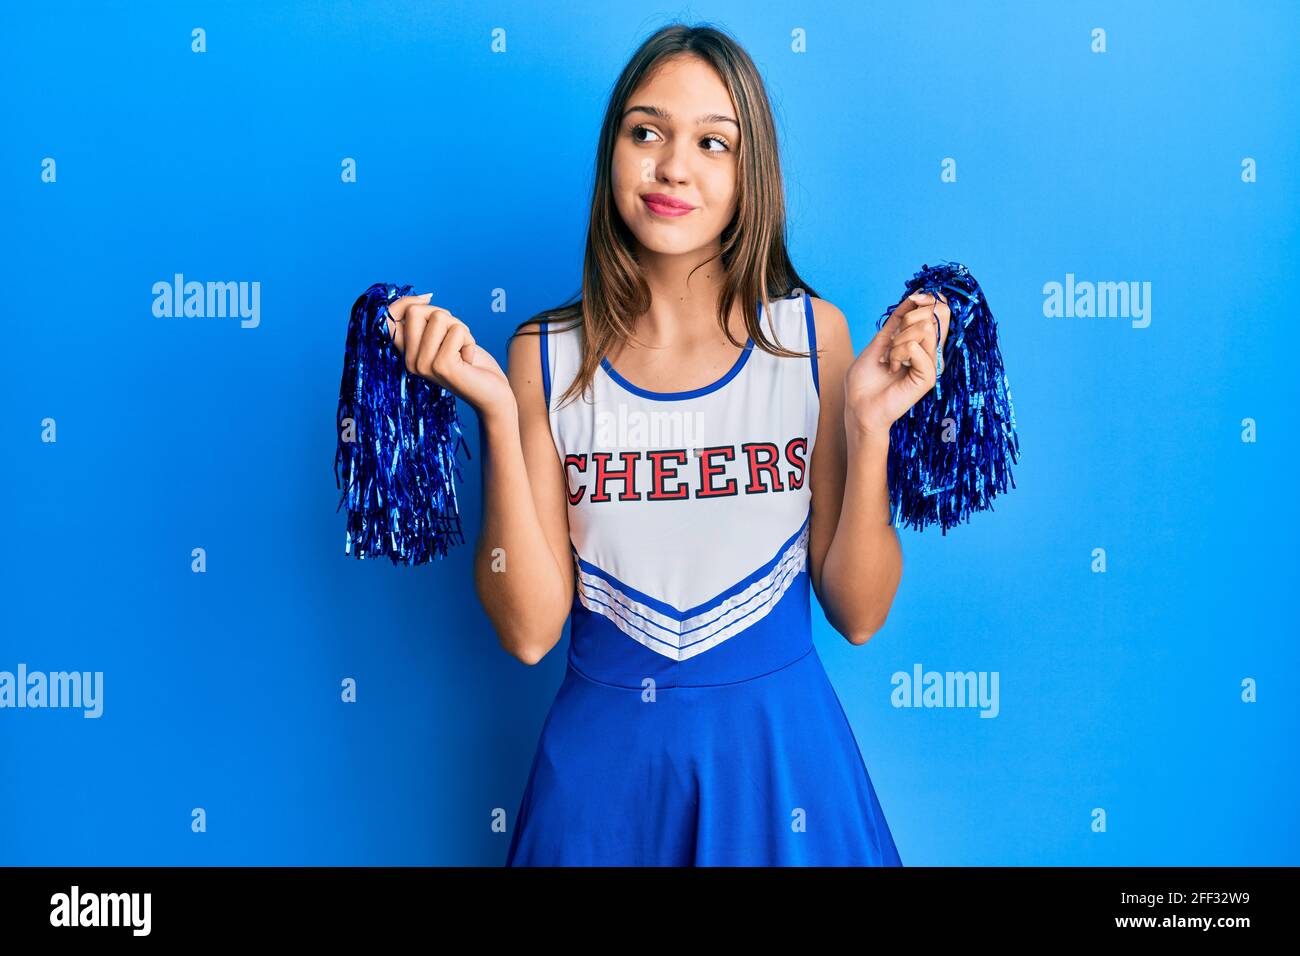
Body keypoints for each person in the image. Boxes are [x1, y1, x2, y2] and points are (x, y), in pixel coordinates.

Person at [383, 22, 950, 866]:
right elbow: (530, 632)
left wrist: (869, 430)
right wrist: (500, 420)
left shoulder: (811, 338)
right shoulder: (542, 356)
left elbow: (859, 614)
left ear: (749, 174)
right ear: (613, 151)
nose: (672, 166)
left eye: (712, 143)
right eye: (645, 132)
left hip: (784, 773)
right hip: (606, 789)